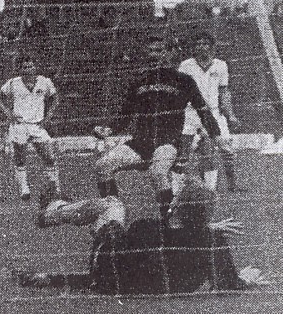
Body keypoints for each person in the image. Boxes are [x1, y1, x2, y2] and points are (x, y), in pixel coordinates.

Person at [14, 177, 268, 295]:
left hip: (107, 279)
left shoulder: (146, 227)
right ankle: (57, 212)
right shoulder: (213, 242)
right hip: (128, 286)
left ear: (176, 206)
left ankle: (54, 210)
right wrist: (246, 277)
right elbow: (227, 284)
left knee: (112, 204)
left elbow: (113, 268)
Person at [93, 35, 222, 217]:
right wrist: (109, 129)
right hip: (141, 143)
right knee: (102, 165)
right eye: (151, 51)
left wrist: (217, 136)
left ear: (170, 53)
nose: (154, 55)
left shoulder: (184, 81)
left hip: (168, 143)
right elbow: (125, 115)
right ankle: (112, 213)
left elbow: (203, 111)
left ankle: (168, 219)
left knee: (158, 172)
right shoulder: (139, 80)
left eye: (159, 50)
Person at [177, 32, 242, 192]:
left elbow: (224, 92)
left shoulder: (221, 65)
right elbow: (180, 91)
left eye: (205, 43)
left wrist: (230, 115)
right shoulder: (186, 65)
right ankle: (180, 189)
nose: (201, 47)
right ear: (193, 47)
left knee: (226, 150)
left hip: (213, 113)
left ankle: (232, 185)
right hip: (191, 113)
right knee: (185, 152)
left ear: (212, 47)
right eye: (198, 44)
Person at [0, 53, 61, 201]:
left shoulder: (44, 82)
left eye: (31, 66)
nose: (28, 69)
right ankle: (24, 189)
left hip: (37, 125)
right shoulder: (13, 83)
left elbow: (55, 98)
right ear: (20, 69)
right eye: (25, 67)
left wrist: (48, 117)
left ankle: (55, 188)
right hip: (20, 125)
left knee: (49, 157)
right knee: (20, 158)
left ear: (35, 67)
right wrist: (9, 114)